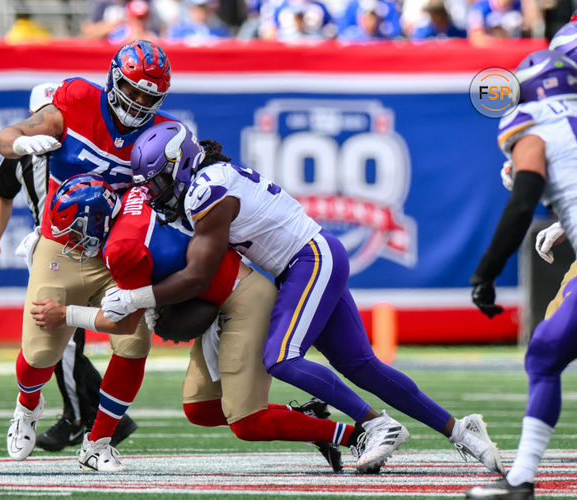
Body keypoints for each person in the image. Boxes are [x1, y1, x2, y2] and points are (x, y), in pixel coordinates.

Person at [100, 121, 506, 475]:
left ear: (180, 165)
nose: (153, 193)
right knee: (361, 365)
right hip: (308, 260)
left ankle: (373, 425)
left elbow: (197, 276)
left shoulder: (208, 190)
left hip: (308, 260)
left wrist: (136, 298)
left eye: (157, 181)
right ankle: (459, 429)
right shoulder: (209, 180)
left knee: (281, 358)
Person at [30, 175, 389, 473]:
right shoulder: (134, 196)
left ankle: (354, 434)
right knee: (200, 409)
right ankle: (307, 420)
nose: (76, 243)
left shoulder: (122, 249)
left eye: (77, 233)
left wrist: (67, 315)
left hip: (245, 299)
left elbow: (124, 325)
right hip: (222, 297)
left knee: (247, 422)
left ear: (97, 220)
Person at [0, 39, 177, 462]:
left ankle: (99, 442)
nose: (138, 100)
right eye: (131, 89)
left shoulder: (163, 132)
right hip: (64, 244)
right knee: (40, 353)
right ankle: (27, 406)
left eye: (149, 95)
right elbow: (6, 136)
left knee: (133, 344)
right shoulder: (76, 102)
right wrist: (21, 144)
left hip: (119, 251)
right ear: (114, 78)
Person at [0, 82, 137, 453]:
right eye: (43, 117)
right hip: (52, 247)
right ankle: (63, 411)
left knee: (114, 334)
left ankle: (80, 418)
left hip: (100, 249)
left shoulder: (87, 142)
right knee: (50, 343)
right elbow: (3, 194)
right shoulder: (23, 150)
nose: (50, 123)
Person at [465, 49, 577, 500]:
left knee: (545, 356)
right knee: (547, 350)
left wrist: (486, 271)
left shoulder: (533, 123)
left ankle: (521, 480)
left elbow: (523, 199)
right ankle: (519, 480)